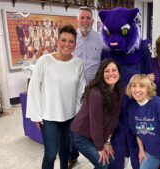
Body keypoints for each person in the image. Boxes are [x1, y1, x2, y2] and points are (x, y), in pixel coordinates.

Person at [26, 24, 86, 169]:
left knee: (65, 150)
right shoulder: (44, 61)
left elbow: (81, 91)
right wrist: (36, 115)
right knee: (51, 154)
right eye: (63, 40)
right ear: (57, 42)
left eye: (71, 41)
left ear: (75, 44)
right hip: (48, 117)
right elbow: (34, 88)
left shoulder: (78, 64)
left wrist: (78, 114)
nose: (67, 44)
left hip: (69, 116)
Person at [68, 7, 105, 169]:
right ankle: (72, 155)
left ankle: (98, 152)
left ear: (93, 20)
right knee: (73, 122)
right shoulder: (70, 39)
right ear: (77, 19)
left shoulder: (100, 39)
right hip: (73, 89)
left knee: (94, 121)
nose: (85, 21)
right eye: (82, 17)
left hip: (94, 90)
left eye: (88, 18)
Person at [70, 58, 123, 169]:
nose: (111, 74)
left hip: (95, 134)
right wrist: (100, 148)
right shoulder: (96, 94)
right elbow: (96, 124)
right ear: (101, 74)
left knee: (112, 160)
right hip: (81, 135)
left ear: (119, 73)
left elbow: (114, 119)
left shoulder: (117, 91)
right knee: (103, 164)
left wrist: (107, 142)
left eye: (114, 70)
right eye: (107, 71)